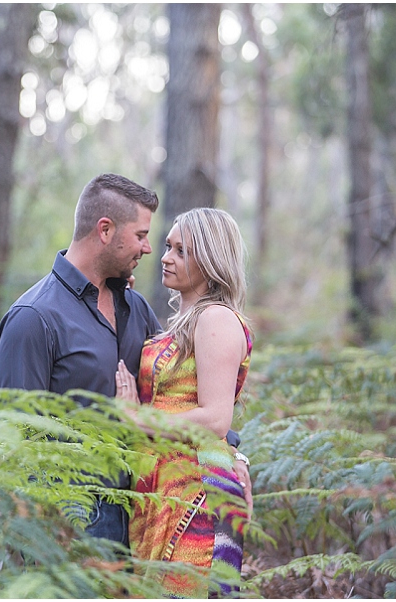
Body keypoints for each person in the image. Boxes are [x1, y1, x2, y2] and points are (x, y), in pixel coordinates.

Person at [0, 174, 251, 549]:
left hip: (146, 505)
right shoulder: (34, 317)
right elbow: (20, 436)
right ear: (105, 230)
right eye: (141, 236)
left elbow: (175, 390)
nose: (151, 250)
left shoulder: (135, 307)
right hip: (76, 516)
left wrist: (232, 450)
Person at [115, 207, 252, 597]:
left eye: (181, 250)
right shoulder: (186, 321)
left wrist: (138, 420)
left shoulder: (216, 320)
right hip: (164, 489)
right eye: (167, 246)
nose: (165, 256)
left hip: (197, 494)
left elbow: (215, 419)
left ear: (209, 262)